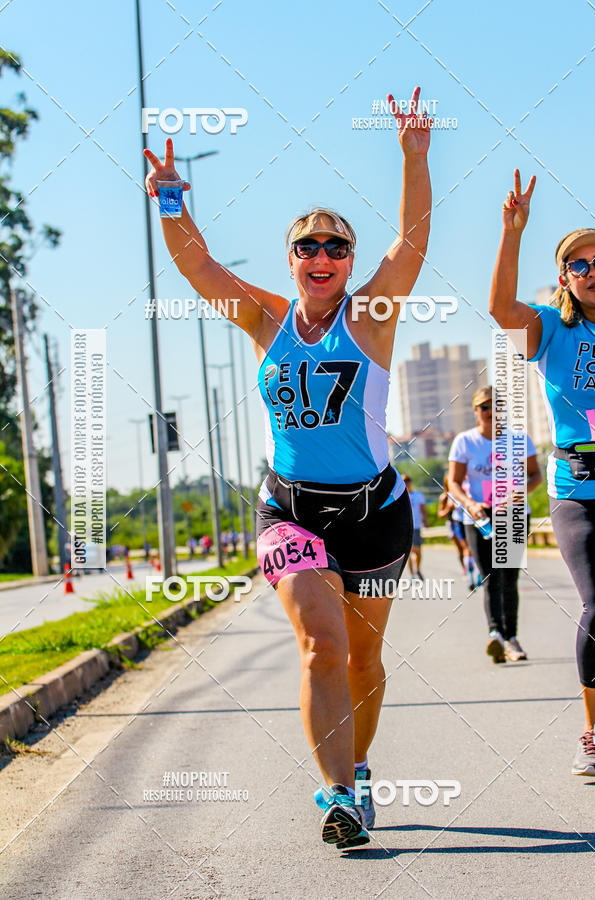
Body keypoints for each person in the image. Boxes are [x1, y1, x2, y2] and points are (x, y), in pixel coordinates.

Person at [145, 86, 431, 848]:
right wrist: (172, 199)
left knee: (366, 657)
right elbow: (198, 264)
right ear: (291, 259)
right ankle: (337, 796)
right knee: (322, 645)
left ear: (349, 262)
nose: (322, 256)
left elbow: (413, 242)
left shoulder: (371, 315)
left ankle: (359, 769)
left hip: (376, 509)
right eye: (308, 244)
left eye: (337, 245)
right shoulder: (264, 317)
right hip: (292, 510)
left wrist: (413, 156)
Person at [489, 169, 595, 776]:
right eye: (578, 264)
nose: (591, 270)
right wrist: (512, 232)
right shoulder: (554, 325)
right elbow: (501, 309)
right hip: (581, 491)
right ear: (564, 277)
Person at [448, 385, 542, 663]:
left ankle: (511, 637)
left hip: (512, 514)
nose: (491, 412)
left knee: (509, 577)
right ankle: (495, 635)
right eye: (485, 407)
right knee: (490, 577)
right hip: (480, 518)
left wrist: (521, 492)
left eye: (496, 406)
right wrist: (471, 504)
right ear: (476, 411)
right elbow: (453, 482)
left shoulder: (519, 439)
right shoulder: (465, 442)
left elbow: (536, 475)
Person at [438, 474, 477, 590]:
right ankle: (468, 572)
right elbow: (440, 514)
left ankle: (474, 572)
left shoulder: (467, 489)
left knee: (469, 549)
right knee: (464, 549)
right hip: (456, 523)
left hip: (471, 522)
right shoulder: (446, 497)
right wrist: (448, 509)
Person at [403, 475, 428, 580]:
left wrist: (426, 521)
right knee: (409, 552)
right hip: (405, 528)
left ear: (411, 482)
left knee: (418, 551)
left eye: (408, 480)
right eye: (404, 481)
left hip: (416, 526)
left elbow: (423, 509)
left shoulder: (418, 495)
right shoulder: (399, 495)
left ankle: (417, 569)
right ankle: (412, 574)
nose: (406, 483)